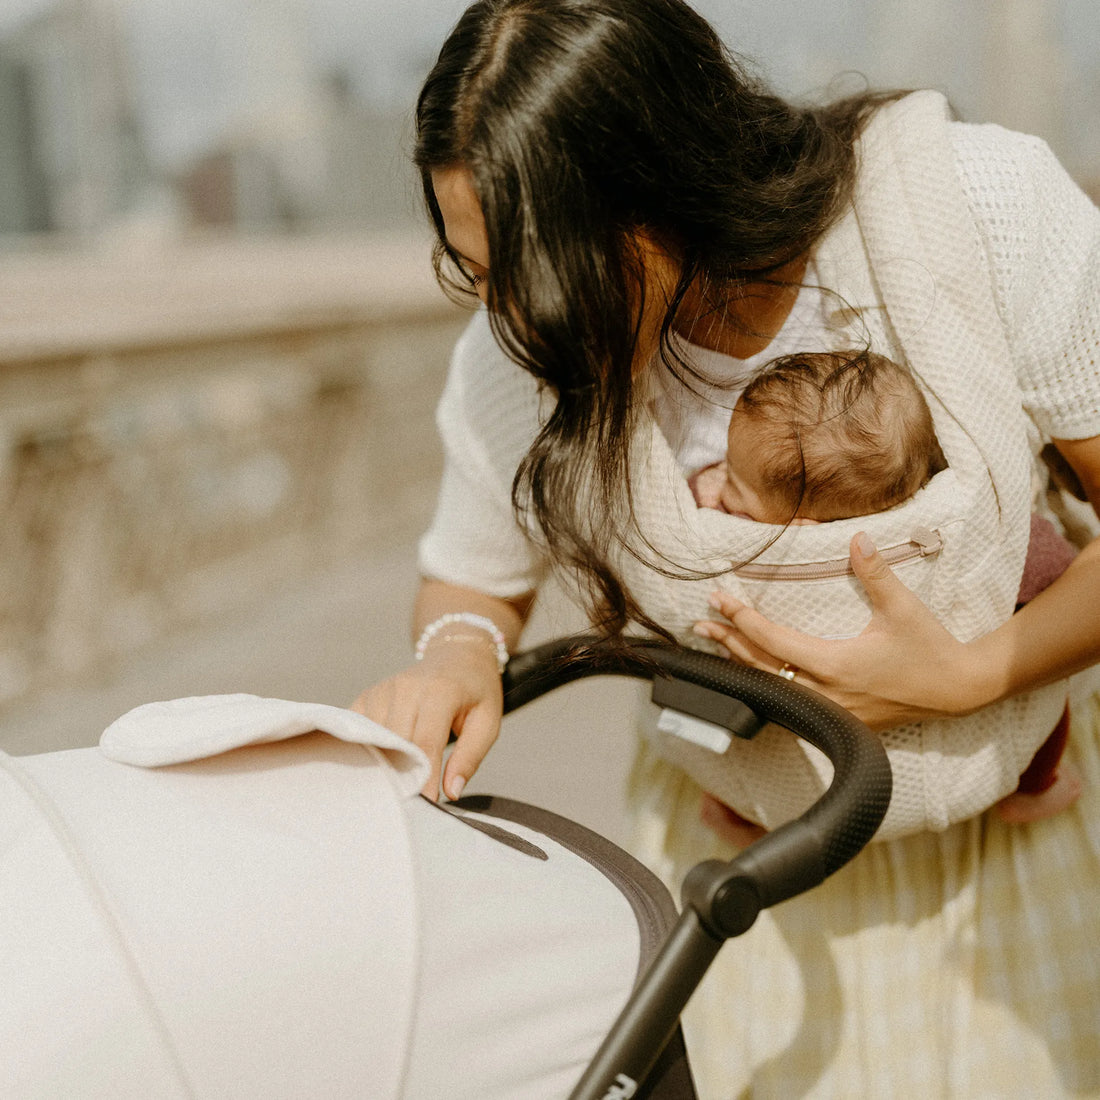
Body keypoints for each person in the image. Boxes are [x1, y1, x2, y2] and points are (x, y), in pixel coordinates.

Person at [355, 0, 1100, 1094]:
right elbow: (471, 572)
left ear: (669, 180)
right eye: (475, 273)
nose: (511, 317)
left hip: (1005, 848)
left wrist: (960, 674)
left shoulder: (971, 208)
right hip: (735, 880)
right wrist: (457, 653)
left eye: (537, 267)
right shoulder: (516, 349)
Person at [689, 347, 1082, 824]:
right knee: (1047, 706)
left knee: (729, 723)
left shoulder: (759, 537)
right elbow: (1053, 571)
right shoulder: (970, 532)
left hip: (793, 722)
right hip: (928, 739)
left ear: (805, 528)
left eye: (732, 478)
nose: (717, 481)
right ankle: (1033, 787)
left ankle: (739, 817)